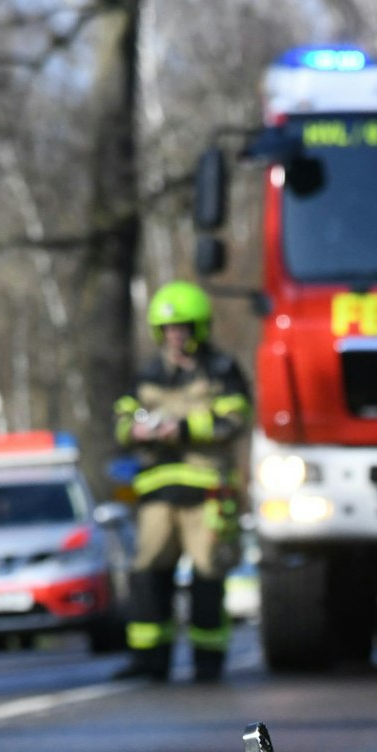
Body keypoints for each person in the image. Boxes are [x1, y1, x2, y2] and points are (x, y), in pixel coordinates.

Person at [112, 281, 251, 682]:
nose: (176, 335)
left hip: (208, 491)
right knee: (148, 571)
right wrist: (135, 431)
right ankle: (149, 660)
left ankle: (208, 661)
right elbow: (121, 418)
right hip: (157, 491)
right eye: (169, 329)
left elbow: (235, 417)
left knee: (208, 573)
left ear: (199, 328)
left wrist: (185, 428)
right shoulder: (147, 376)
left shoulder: (221, 372)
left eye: (184, 327)